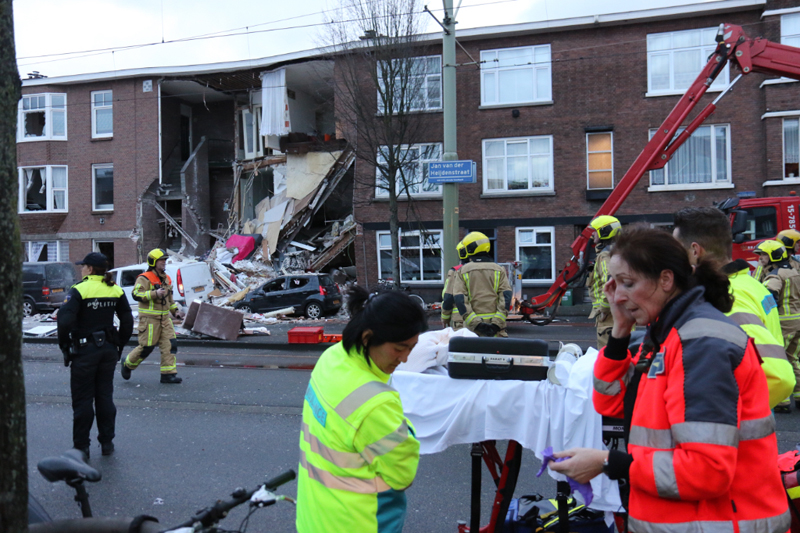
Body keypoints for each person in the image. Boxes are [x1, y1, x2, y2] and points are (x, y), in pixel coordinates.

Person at [549, 226, 789, 533]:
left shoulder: (699, 344)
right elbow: (610, 400)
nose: (618, 296)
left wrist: (608, 462)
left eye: (628, 283)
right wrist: (619, 332)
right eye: (614, 284)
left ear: (665, 280)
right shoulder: (668, 332)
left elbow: (707, 472)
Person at [296, 285, 427, 533]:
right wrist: (404, 428)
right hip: (358, 521)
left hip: (315, 517)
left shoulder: (332, 358)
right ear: (368, 338)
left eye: (412, 347)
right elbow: (402, 476)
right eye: (400, 348)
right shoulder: (375, 403)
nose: (406, 358)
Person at [672, 207, 794, 410]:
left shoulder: (728, 296)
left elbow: (780, 378)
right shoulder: (749, 283)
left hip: (731, 432)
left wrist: (721, 412)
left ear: (695, 251)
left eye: (677, 250)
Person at [57, 252, 134, 458]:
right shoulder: (115, 290)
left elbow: (64, 321)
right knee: (104, 397)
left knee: (83, 400)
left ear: (90, 269)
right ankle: (107, 442)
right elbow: (127, 322)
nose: (81, 269)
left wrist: (64, 345)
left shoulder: (79, 290)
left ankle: (82, 447)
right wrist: (119, 345)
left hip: (84, 350)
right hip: (108, 349)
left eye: (83, 266)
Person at [121, 249, 185, 384]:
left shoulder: (166, 278)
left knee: (170, 344)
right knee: (146, 347)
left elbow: (170, 299)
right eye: (161, 260)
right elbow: (136, 294)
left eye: (165, 260)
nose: (164, 262)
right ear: (153, 262)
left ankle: (168, 374)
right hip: (149, 320)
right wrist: (154, 294)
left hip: (165, 319)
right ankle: (127, 364)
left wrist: (175, 312)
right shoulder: (144, 278)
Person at [756, 239, 800, 410]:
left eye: (763, 255)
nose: (760, 258)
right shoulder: (794, 271)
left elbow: (768, 295)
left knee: (777, 360)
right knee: (793, 359)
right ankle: (798, 395)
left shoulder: (775, 275)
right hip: (798, 321)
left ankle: (782, 402)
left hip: (783, 323)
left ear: (774, 255)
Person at [453, 231, 512, 337]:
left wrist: (477, 325)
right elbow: (505, 299)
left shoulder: (462, 271)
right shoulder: (499, 270)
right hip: (496, 332)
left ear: (470, 248)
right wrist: (496, 325)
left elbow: (460, 300)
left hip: (472, 332)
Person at [586, 215, 621, 349]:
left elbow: (611, 282)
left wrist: (604, 309)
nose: (593, 234)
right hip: (617, 316)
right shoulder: (620, 253)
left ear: (604, 232)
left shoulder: (605, 256)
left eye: (595, 230)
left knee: (608, 357)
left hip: (609, 318)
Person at [441, 240, 468, 330]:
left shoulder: (455, 271)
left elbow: (448, 296)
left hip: (460, 319)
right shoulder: (489, 271)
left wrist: (445, 317)